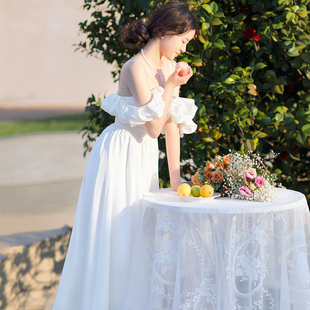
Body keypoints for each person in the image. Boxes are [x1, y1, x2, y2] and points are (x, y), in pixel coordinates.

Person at [52, 1, 197, 309]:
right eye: (183, 41)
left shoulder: (169, 68)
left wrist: (175, 184)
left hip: (143, 158)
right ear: (166, 32)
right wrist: (170, 86)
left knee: (138, 233)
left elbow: (172, 126)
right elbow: (153, 128)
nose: (184, 48)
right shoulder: (134, 68)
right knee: (115, 230)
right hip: (119, 155)